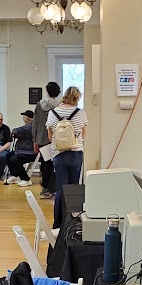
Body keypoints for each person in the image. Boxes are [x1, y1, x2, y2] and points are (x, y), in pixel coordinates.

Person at [46, 86, 88, 225]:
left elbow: (50, 136)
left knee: (61, 189)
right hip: (76, 154)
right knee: (74, 190)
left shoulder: (52, 113)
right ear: (77, 98)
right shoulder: (80, 113)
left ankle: (58, 223)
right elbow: (83, 134)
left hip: (59, 155)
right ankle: (72, 222)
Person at [33, 81, 61, 198]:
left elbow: (35, 123)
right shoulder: (59, 106)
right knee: (55, 165)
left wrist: (35, 140)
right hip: (55, 139)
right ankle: (52, 189)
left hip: (41, 139)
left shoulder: (39, 105)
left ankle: (45, 189)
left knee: (45, 165)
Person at [4, 110, 37, 184]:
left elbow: (15, 131)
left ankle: (26, 179)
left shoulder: (30, 126)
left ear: (27, 118)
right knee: (9, 155)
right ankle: (15, 175)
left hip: (30, 152)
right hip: (24, 151)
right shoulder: (30, 126)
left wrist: (13, 132)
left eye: (24, 117)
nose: (23, 118)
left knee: (15, 159)